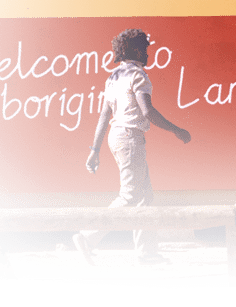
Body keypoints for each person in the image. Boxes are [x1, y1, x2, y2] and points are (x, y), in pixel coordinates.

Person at [72, 28, 192, 266]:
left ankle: (148, 253)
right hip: (129, 138)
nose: (148, 53)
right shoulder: (138, 75)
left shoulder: (114, 77)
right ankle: (87, 237)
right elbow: (147, 111)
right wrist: (177, 130)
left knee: (144, 198)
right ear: (135, 50)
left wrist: (95, 150)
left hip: (117, 137)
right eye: (145, 48)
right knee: (129, 195)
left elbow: (104, 115)